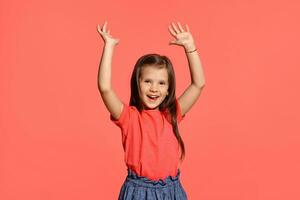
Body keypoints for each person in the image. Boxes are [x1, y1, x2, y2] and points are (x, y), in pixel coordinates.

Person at [97, 21, 205, 200]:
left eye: (161, 83)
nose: (154, 88)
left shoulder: (172, 115)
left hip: (171, 191)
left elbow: (198, 84)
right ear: (137, 83)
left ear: (169, 89)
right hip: (138, 191)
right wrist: (109, 46)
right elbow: (105, 88)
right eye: (147, 81)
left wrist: (190, 48)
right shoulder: (129, 117)